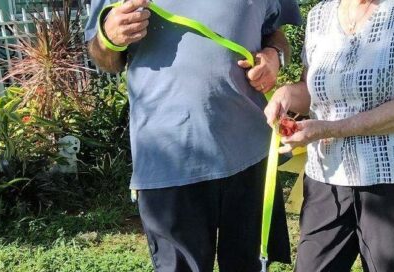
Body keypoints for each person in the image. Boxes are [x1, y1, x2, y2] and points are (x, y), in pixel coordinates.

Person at [84, 0, 301, 271]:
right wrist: (110, 39)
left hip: (250, 155)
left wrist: (274, 55)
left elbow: (274, 32)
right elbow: (101, 55)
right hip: (169, 156)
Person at [264, 0, 394, 271]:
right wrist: (286, 95)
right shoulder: (321, 15)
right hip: (327, 177)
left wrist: (331, 129)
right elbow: (313, 92)